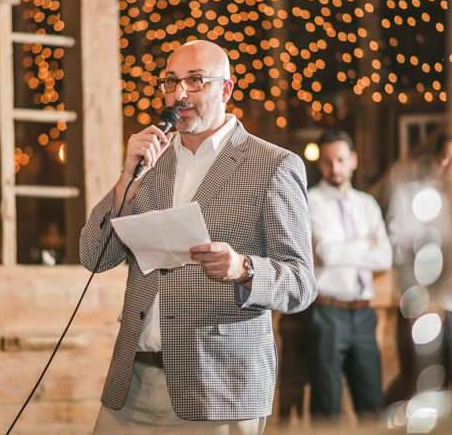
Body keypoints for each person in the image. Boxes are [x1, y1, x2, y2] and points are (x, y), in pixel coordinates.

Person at [79, 40, 316, 434]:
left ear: (225, 90)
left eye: (195, 81)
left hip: (218, 388)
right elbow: (94, 257)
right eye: (171, 82)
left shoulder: (274, 165)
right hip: (131, 383)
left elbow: (302, 284)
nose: (179, 94)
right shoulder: (149, 162)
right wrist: (126, 179)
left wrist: (244, 268)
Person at [305, 130, 392, 421]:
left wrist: (347, 250)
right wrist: (365, 243)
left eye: (341, 160)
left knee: (372, 408)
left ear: (353, 160)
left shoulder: (367, 204)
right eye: (328, 161)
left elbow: (385, 257)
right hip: (328, 314)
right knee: (326, 410)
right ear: (321, 164)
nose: (335, 168)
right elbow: (326, 253)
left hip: (366, 315)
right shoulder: (311, 201)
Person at [385, 135, 452, 399]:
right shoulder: (410, 195)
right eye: (447, 158)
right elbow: (396, 245)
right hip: (423, 304)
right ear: (435, 160)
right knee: (426, 385)